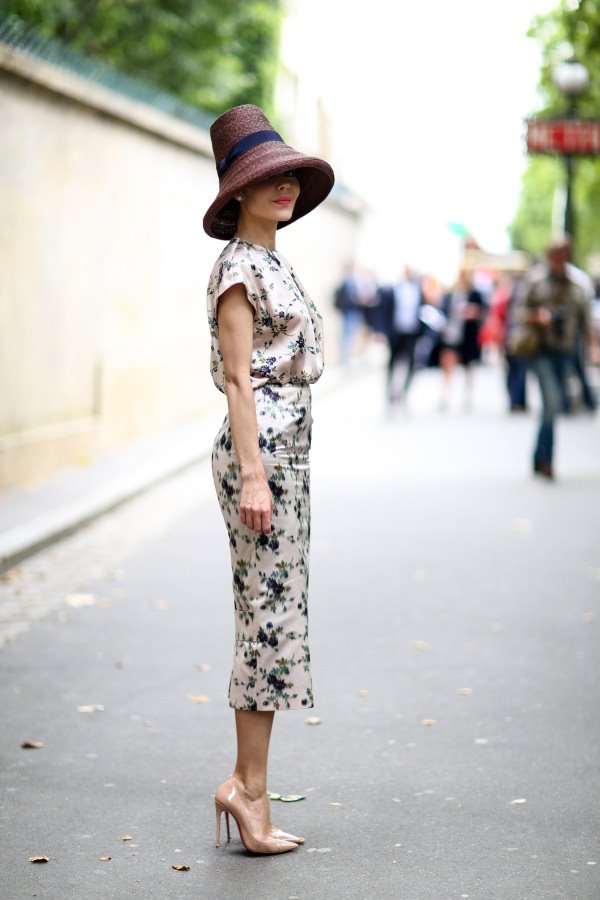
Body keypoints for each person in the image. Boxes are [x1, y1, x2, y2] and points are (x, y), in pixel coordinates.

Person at [203, 104, 334, 854]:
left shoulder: (274, 261)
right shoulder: (238, 268)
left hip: (285, 460)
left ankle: (248, 787)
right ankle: (247, 792)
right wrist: (254, 475)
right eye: (266, 177)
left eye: (288, 174)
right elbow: (237, 379)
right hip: (263, 462)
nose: (282, 186)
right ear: (236, 193)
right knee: (266, 623)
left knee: (275, 625)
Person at [517, 237, 592, 479]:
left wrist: (590, 348)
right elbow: (517, 312)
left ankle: (541, 456)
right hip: (541, 349)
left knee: (554, 406)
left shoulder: (577, 284)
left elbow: (585, 321)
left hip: (565, 350)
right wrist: (537, 317)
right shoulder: (535, 280)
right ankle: (545, 460)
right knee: (551, 402)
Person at [438, 268, 484, 410]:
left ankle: (467, 396)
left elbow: (482, 312)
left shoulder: (475, 294)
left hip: (468, 335)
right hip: (451, 334)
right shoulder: (450, 294)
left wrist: (472, 313)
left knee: (468, 366)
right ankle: (445, 396)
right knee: (447, 365)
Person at [382, 265, 425, 404]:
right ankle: (389, 392)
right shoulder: (395, 289)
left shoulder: (418, 290)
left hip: (411, 333)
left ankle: (404, 393)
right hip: (396, 332)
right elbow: (386, 310)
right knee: (392, 363)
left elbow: (422, 311)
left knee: (411, 364)